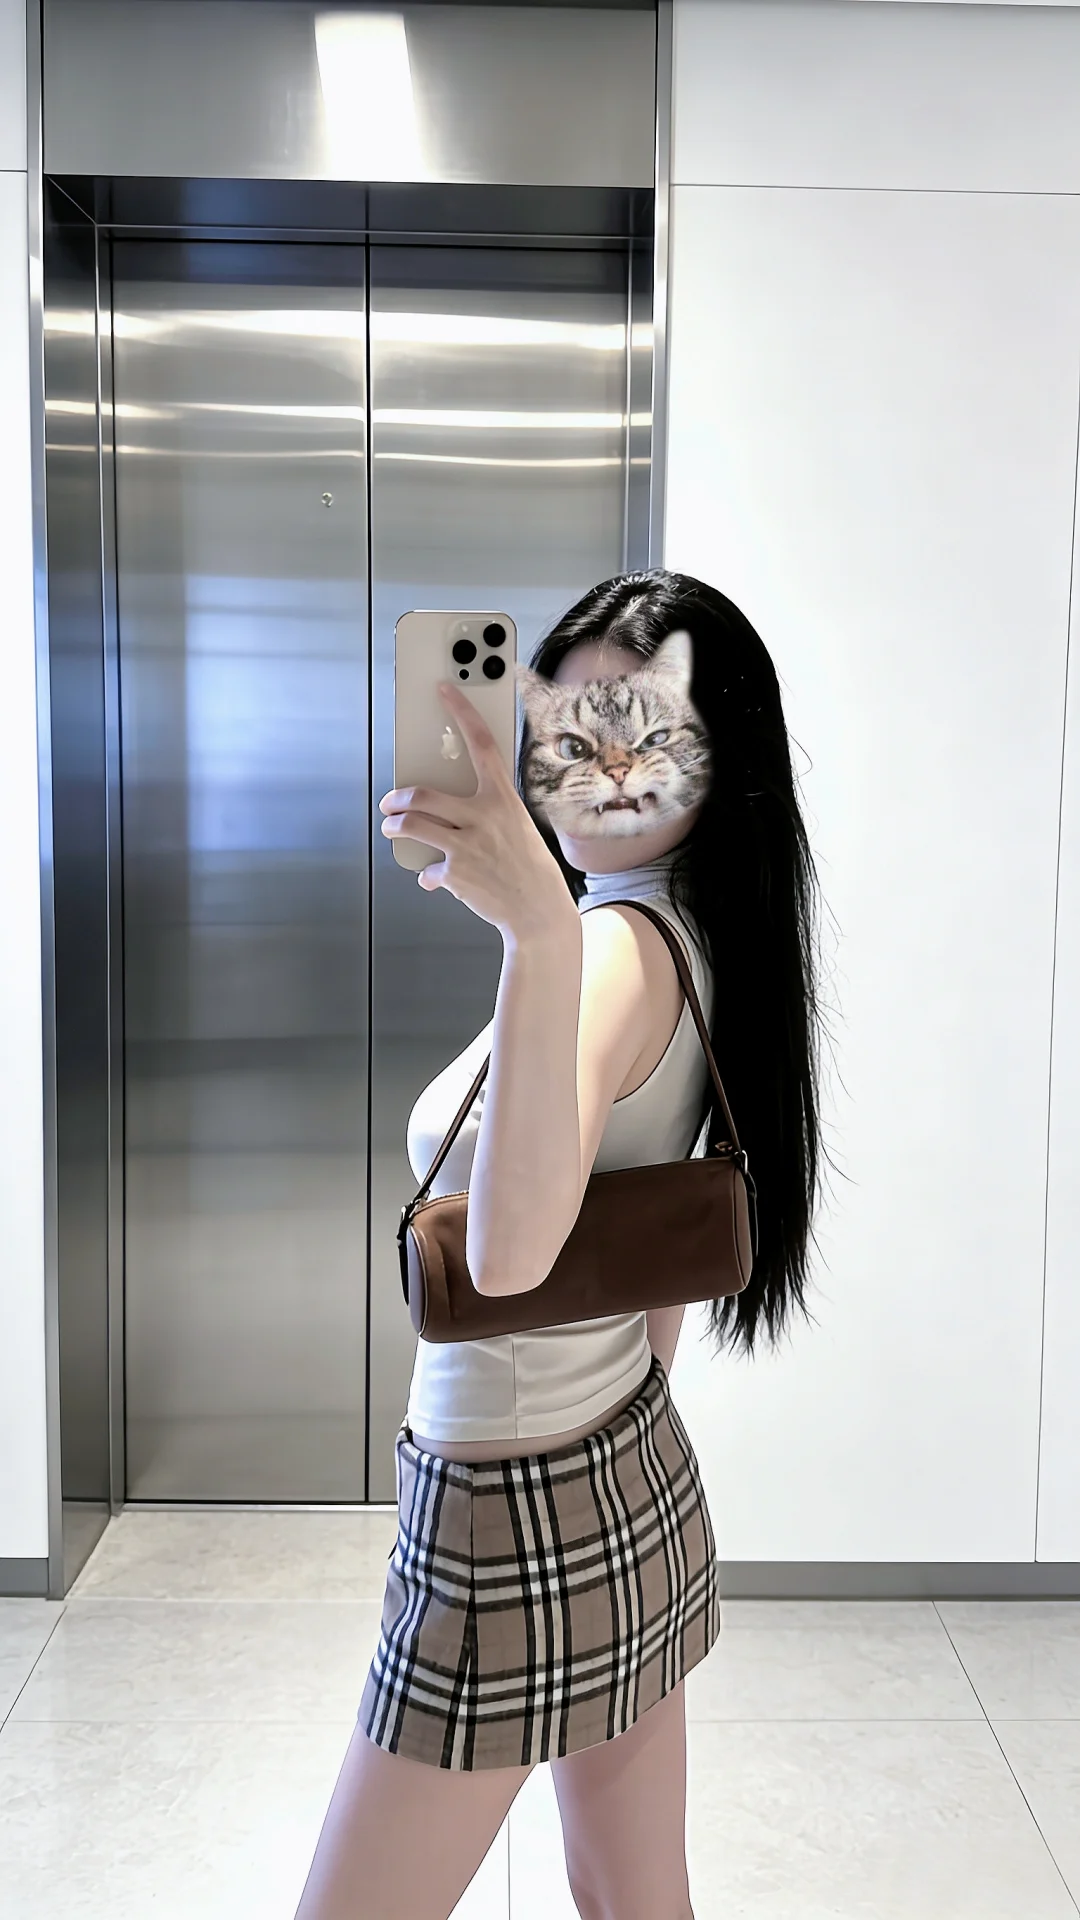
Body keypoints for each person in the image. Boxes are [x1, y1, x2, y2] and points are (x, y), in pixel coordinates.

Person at [295, 569, 822, 1920]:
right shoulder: (688, 934)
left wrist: (535, 925)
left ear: (722, 763)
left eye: (643, 731)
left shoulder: (605, 952)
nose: (597, 768)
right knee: (636, 1895)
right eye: (569, 728)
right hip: (626, 1463)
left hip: (506, 1508)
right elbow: (656, 1254)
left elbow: (511, 1258)